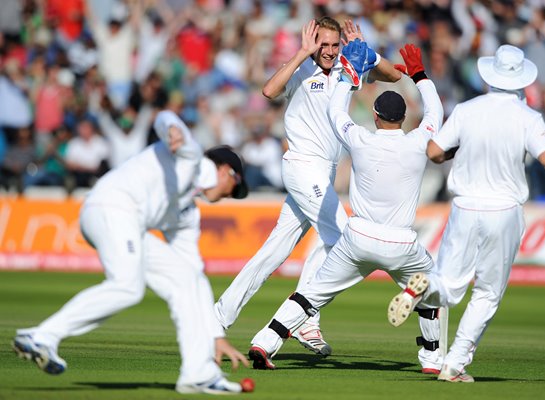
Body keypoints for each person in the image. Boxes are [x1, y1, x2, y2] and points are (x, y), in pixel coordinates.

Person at [12, 110, 254, 395]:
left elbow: (194, 274)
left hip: (128, 225)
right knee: (128, 287)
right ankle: (41, 336)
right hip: (110, 206)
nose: (228, 195)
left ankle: (198, 372)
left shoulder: (187, 213)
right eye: (233, 187)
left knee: (185, 279)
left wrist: (216, 335)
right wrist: (173, 130)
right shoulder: (191, 156)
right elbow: (165, 117)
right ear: (226, 171)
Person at [246, 41, 444, 369]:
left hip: (357, 240)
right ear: (404, 117)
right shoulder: (419, 141)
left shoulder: (360, 138)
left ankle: (266, 342)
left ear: (376, 116)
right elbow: (436, 112)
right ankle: (432, 357)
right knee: (431, 291)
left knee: (310, 296)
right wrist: (421, 76)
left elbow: (335, 112)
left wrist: (349, 75)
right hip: (401, 243)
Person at [214, 17, 403, 357]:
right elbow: (269, 90)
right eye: (324, 45)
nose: (329, 52)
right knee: (342, 238)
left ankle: (218, 316)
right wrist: (302, 53)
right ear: (314, 43)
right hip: (302, 165)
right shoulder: (302, 68)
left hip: (324, 173)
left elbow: (394, 76)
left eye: (335, 45)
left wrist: (367, 53)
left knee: (273, 252)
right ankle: (303, 318)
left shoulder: (349, 67)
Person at [394, 44, 545, 383]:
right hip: (503, 211)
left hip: (464, 206)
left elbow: (434, 151)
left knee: (448, 286)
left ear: (490, 76)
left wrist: (461, 152)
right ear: (521, 80)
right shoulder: (527, 117)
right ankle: (454, 364)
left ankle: (423, 287)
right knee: (487, 293)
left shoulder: (467, 109)